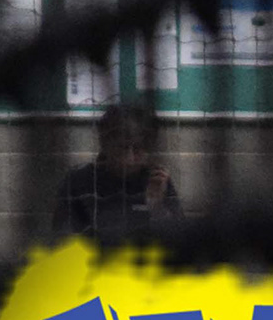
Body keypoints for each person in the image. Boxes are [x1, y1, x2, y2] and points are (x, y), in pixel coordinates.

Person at [49, 100, 185, 240]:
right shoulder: (79, 181)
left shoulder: (156, 181)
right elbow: (62, 238)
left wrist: (158, 209)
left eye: (138, 149)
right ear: (105, 144)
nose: (130, 158)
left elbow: (180, 240)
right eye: (122, 148)